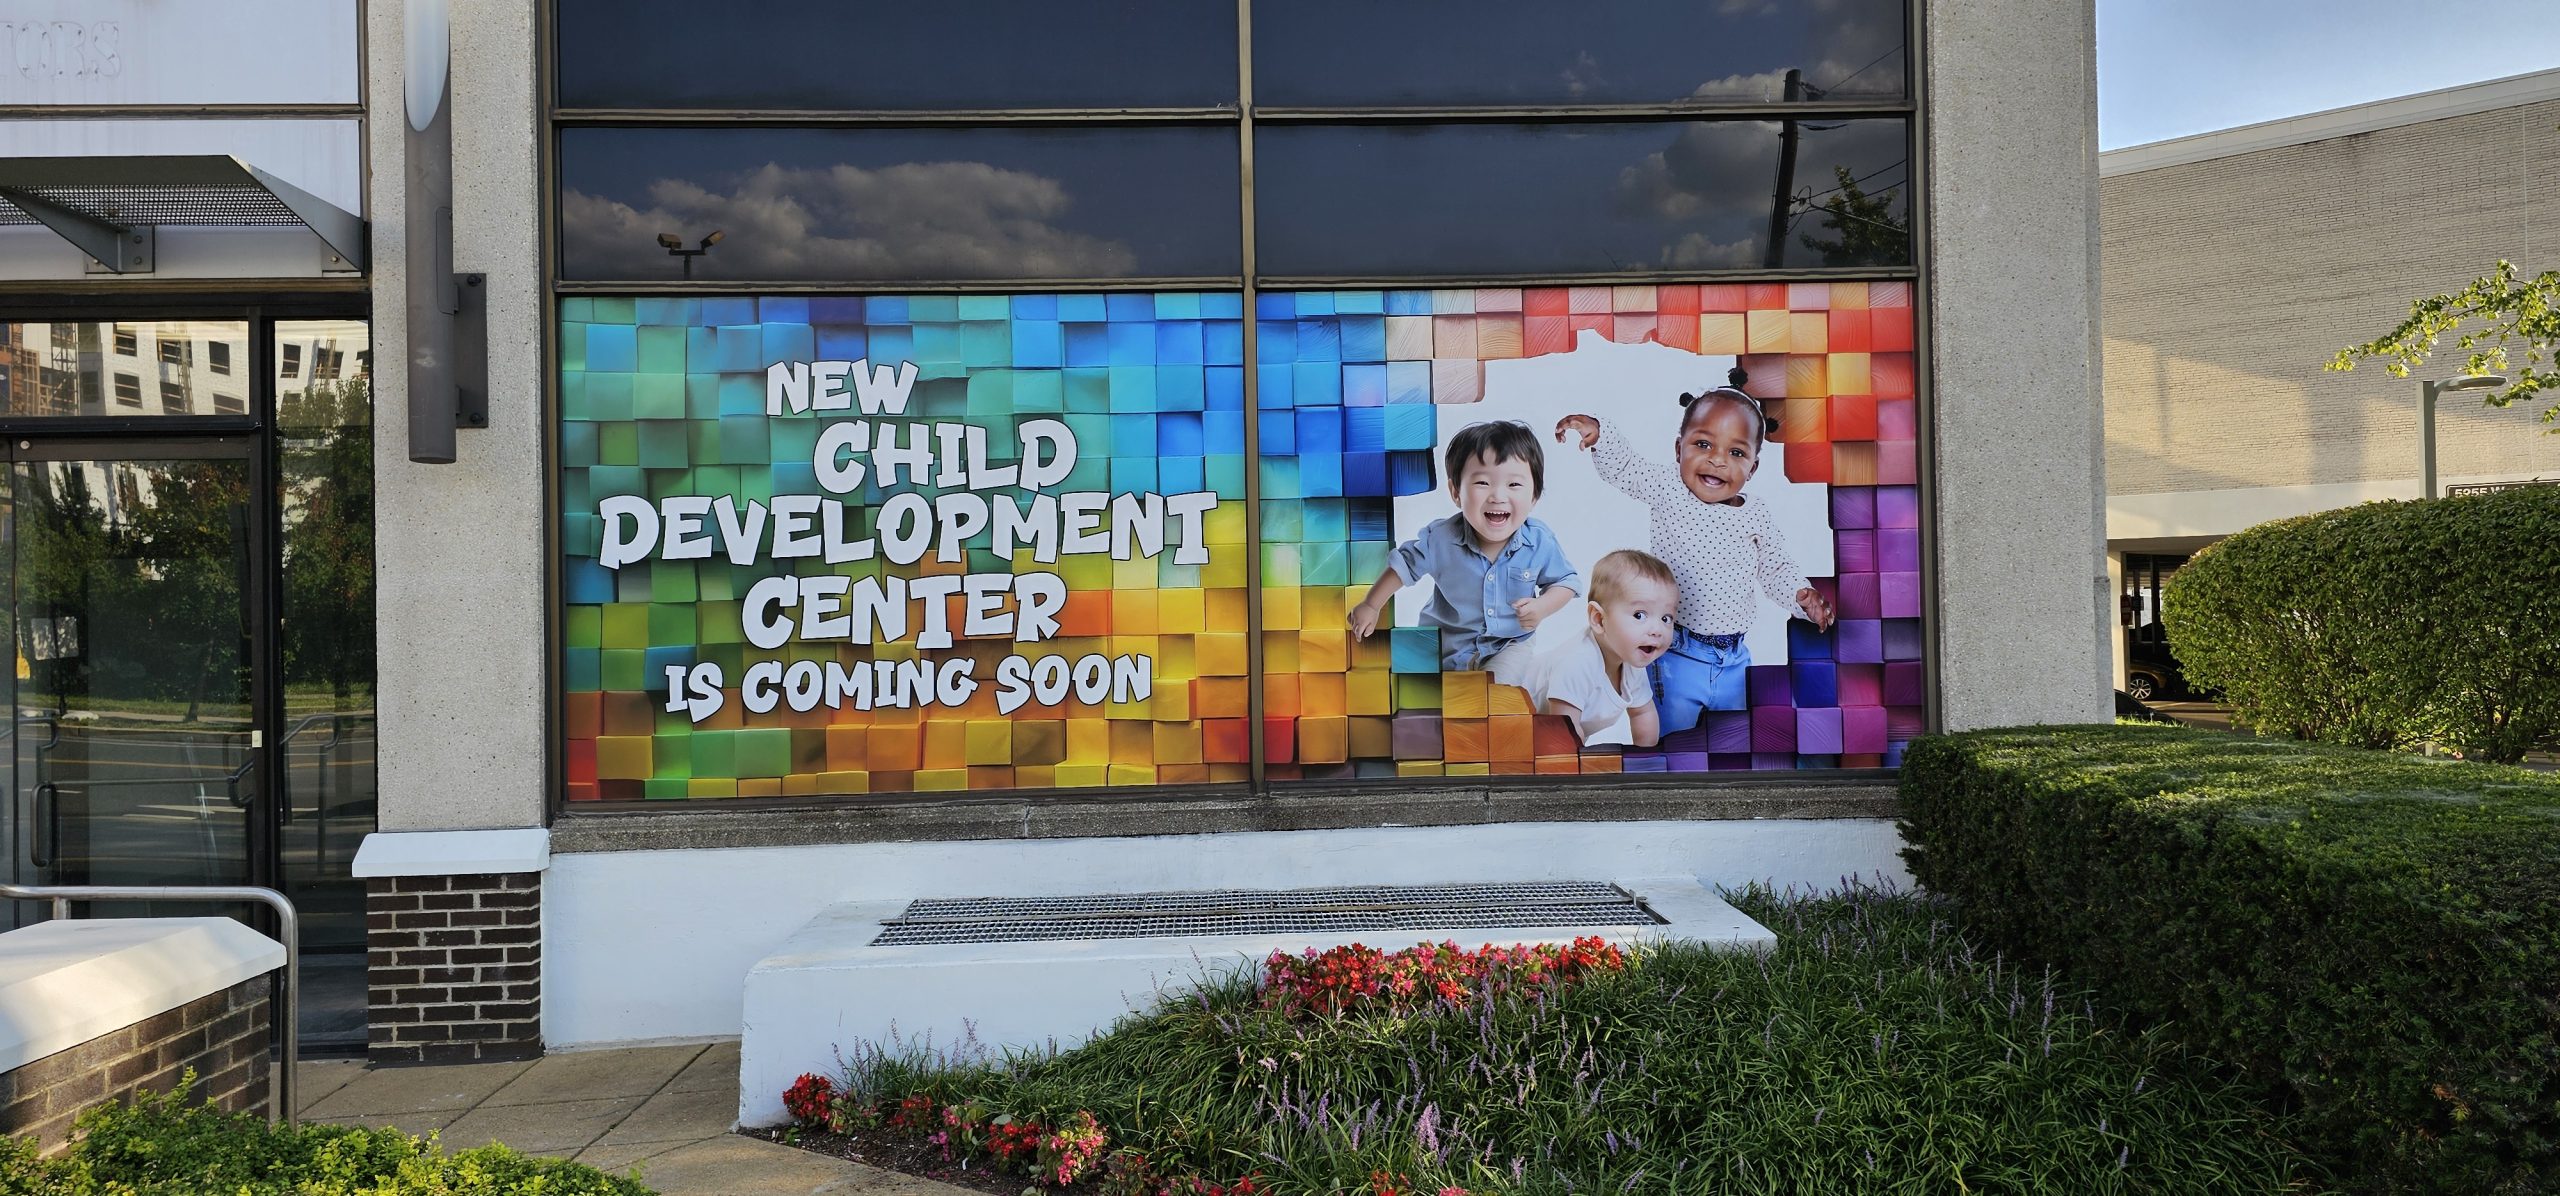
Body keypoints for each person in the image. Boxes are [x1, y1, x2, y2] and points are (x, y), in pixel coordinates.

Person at [1554, 379, 1836, 735]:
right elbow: (1628, 469)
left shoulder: (1756, 515)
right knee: (1674, 742)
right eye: (1703, 444)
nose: (1717, 460)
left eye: (1736, 453)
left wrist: (1800, 596)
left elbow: (1775, 567)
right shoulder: (1669, 488)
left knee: (1732, 740)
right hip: (1675, 653)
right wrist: (1601, 435)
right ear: (1679, 449)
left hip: (1734, 659)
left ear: (1753, 467)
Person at [1349, 419, 1582, 671]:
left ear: (1534, 495)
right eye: (1483, 483)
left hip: (1509, 644)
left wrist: (1542, 607)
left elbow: (1565, 582)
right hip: (1446, 642)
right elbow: (1404, 566)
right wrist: (1371, 604)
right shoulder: (1441, 539)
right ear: (1455, 492)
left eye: (1514, 484)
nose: (1498, 496)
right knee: (1419, 685)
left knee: (1498, 688)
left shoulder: (1538, 542)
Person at [1509, 549, 1677, 747]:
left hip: (1548, 742)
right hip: (1511, 723)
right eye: (1639, 615)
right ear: (1599, 619)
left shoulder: (1632, 663)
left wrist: (1647, 759)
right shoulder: (1577, 663)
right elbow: (1564, 730)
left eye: (1666, 618)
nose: (1657, 630)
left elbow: (1642, 713)